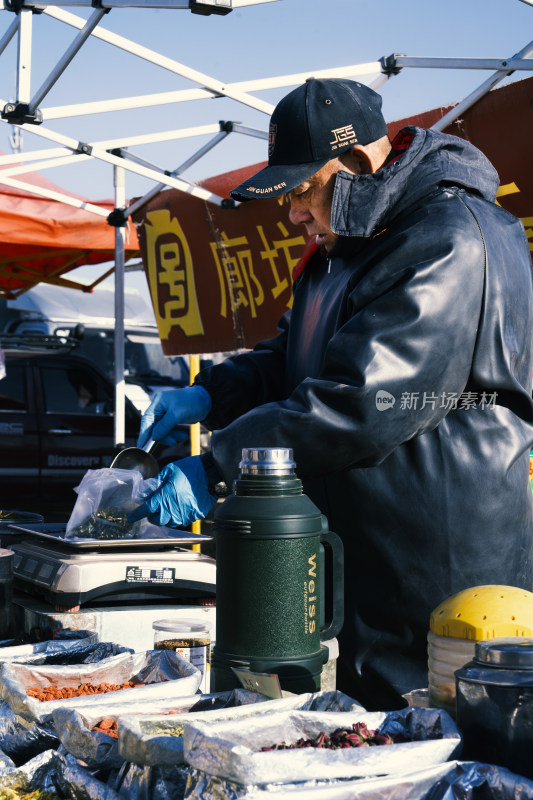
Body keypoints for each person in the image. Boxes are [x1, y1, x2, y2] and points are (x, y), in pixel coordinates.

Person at [130, 78, 533, 710]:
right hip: (357, 555)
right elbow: (290, 357)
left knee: (441, 734)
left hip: (440, 559)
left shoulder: (448, 238)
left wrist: (217, 464)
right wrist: (209, 394)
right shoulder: (342, 248)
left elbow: (362, 399)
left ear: (354, 165)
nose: (292, 214)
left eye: (300, 192)